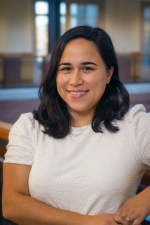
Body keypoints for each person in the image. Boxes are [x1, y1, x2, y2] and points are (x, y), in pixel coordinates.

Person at [2, 25, 150, 225]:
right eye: (66, 68)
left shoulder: (135, 126)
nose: (75, 80)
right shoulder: (29, 127)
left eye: (87, 68)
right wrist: (84, 222)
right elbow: (11, 205)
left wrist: (146, 198)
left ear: (108, 73)